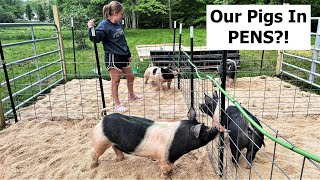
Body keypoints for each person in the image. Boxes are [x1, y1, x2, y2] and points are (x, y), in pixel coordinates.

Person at [88, 1, 142, 113]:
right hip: (112, 56)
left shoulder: (118, 24)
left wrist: (128, 53)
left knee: (130, 76)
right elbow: (96, 39)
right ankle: (117, 104)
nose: (123, 16)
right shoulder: (104, 25)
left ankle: (131, 95)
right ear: (115, 13)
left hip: (123, 55)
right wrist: (91, 29)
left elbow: (123, 40)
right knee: (115, 80)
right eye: (122, 14)